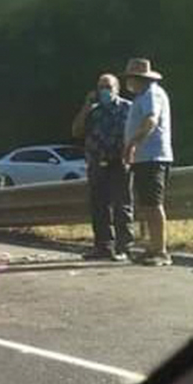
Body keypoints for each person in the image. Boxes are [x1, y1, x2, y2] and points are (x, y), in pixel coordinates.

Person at [72, 73, 133, 261]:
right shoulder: (93, 111)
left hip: (119, 161)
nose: (104, 91)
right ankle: (103, 246)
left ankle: (124, 247)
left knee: (122, 204)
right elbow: (76, 131)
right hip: (97, 162)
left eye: (108, 87)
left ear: (117, 88)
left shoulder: (127, 108)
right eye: (101, 87)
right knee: (99, 205)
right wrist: (86, 106)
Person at [122, 58, 174, 266]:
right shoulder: (142, 96)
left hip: (153, 156)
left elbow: (151, 120)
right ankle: (152, 247)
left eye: (130, 79)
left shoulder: (151, 94)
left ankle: (160, 251)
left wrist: (133, 144)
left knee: (153, 204)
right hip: (145, 158)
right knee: (147, 203)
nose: (128, 83)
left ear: (138, 78)